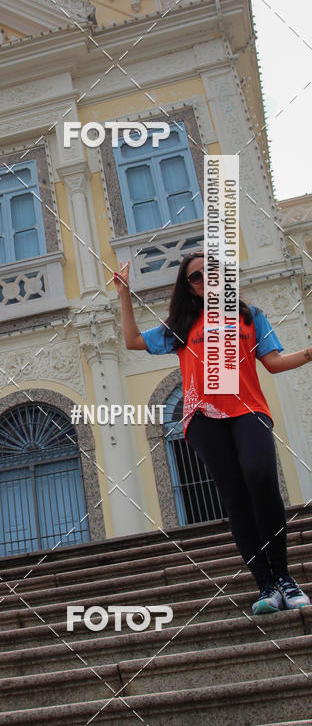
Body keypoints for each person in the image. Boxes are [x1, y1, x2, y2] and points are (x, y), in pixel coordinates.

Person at [114, 253, 311, 615]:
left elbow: (274, 363)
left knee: (260, 476)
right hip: (203, 417)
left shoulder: (251, 316)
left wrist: (310, 352)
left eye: (213, 272)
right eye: (197, 276)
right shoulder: (183, 324)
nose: (207, 278)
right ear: (189, 287)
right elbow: (132, 341)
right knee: (235, 497)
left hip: (249, 409)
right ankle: (266, 585)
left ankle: (284, 577)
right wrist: (124, 294)